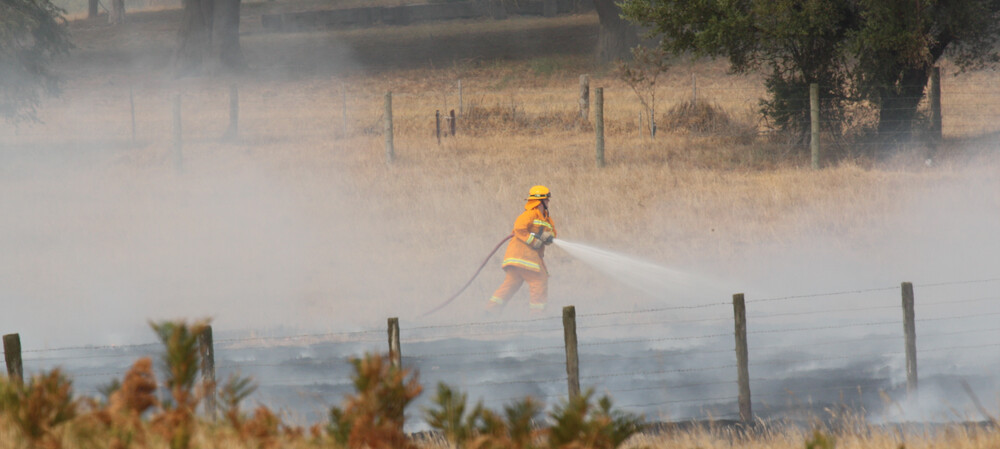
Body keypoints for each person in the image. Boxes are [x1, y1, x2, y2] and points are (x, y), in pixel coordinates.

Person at [487, 185, 557, 315]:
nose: (548, 201)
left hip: (516, 259)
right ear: (540, 201)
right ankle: (537, 317)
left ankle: (490, 312)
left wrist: (549, 237)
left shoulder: (546, 219)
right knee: (539, 281)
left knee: (510, 284)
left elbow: (552, 233)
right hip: (526, 258)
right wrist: (534, 240)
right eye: (546, 199)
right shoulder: (530, 214)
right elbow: (519, 228)